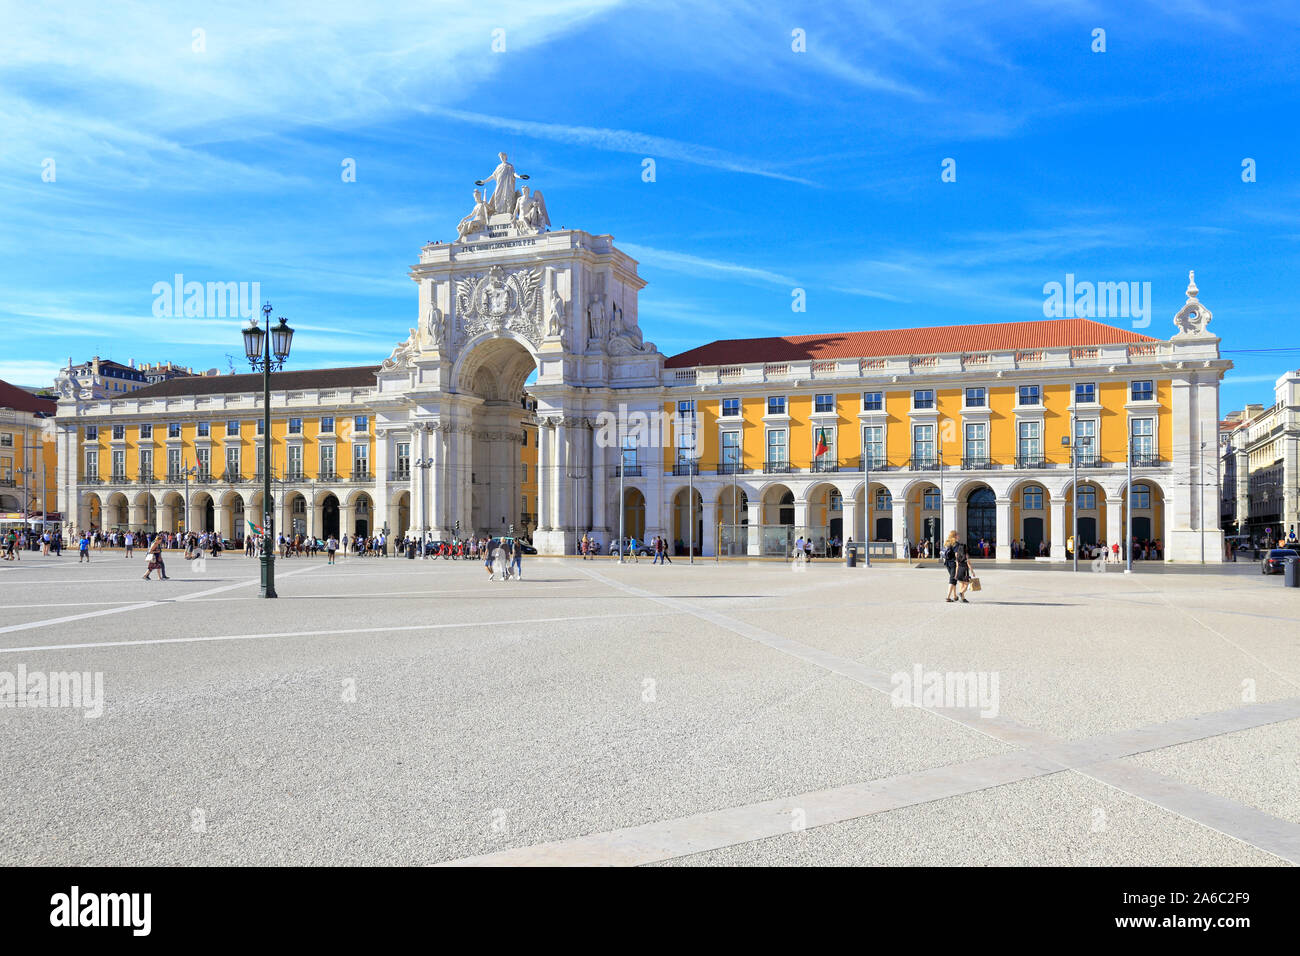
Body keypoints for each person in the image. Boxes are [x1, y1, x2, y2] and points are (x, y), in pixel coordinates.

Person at [942, 531, 960, 602]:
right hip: (953, 563)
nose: (959, 536)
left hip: (947, 563)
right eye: (958, 535)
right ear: (955, 536)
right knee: (952, 579)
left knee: (954, 579)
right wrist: (958, 563)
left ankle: (955, 596)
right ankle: (948, 597)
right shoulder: (956, 544)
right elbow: (956, 555)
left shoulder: (947, 542)